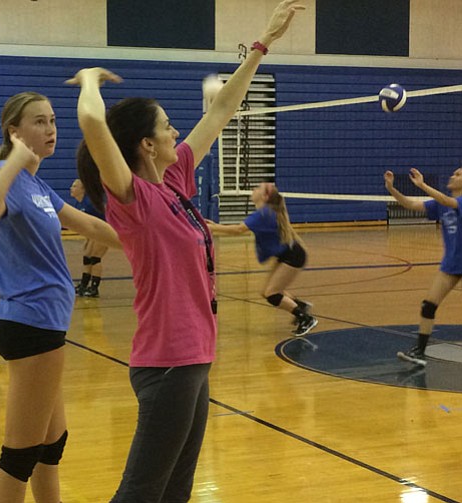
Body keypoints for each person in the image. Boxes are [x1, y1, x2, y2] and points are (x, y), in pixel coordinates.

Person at [68, 2, 304, 500]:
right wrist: (90, 78)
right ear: (146, 145)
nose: (177, 131)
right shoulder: (133, 197)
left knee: (176, 488)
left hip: (195, 357)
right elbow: (93, 124)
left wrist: (264, 42)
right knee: (141, 491)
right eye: (168, 126)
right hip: (168, 361)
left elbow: (221, 109)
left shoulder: (175, 184)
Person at [0, 91, 120, 503]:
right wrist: (14, 160)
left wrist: (151, 241)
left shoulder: (36, 186)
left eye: (52, 120)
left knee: (52, 446)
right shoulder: (9, 175)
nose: (50, 129)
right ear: (14, 131)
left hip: (44, 324)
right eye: (39, 122)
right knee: (20, 455)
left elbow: (88, 223)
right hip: (30, 326)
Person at [205, 182, 317, 336]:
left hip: (293, 256)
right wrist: (216, 226)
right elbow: (239, 229)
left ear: (265, 196)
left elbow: (238, 230)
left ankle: (305, 318)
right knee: (267, 292)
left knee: (272, 293)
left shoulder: (264, 213)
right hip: (287, 254)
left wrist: (212, 228)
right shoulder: (266, 212)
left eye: (258, 188)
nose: (254, 190)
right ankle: (300, 306)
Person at [385, 167, 462, 366]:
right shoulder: (440, 205)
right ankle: (419, 351)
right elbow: (410, 203)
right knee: (429, 305)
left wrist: (422, 185)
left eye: (459, 174)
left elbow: (449, 202)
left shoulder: (455, 202)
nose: (453, 176)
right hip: (452, 264)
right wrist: (391, 189)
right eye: (453, 173)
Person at [69, 178, 108, 297]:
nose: (71, 188)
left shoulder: (90, 203)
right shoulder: (79, 203)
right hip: (96, 232)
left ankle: (94, 288)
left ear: (83, 190)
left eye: (75, 186)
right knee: (87, 255)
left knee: (95, 257)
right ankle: (84, 285)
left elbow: (105, 218)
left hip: (106, 230)